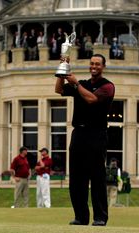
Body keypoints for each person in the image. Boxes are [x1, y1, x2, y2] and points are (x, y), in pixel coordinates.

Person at [55, 54, 115, 226]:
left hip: (97, 134)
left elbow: (92, 99)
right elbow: (59, 90)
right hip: (79, 133)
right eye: (92, 63)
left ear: (103, 66)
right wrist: (62, 71)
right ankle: (81, 217)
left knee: (97, 177)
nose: (94, 66)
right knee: (76, 178)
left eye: (97, 64)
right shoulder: (84, 83)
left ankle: (100, 217)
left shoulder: (108, 86)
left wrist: (75, 83)